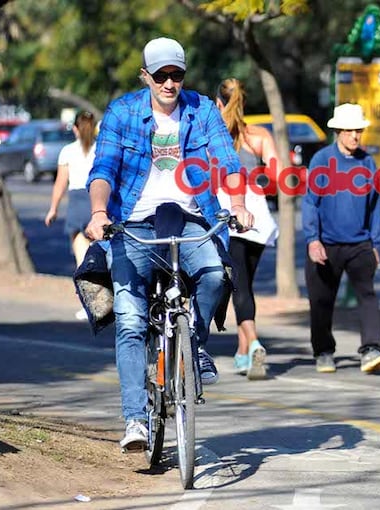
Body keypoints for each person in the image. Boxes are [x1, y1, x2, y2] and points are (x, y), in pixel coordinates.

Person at [83, 37, 254, 452]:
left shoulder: (202, 110)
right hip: (133, 224)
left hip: (192, 219)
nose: (169, 83)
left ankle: (191, 345)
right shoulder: (123, 112)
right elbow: (103, 167)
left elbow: (227, 162)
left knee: (216, 275)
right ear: (146, 76)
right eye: (161, 75)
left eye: (176, 74)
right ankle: (135, 421)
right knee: (129, 320)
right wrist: (99, 213)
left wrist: (237, 204)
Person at [301, 103, 380, 374]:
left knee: (368, 295)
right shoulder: (321, 160)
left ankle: (372, 349)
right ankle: (324, 351)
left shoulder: (368, 161)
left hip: (360, 244)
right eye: (350, 131)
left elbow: (375, 205)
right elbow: (310, 202)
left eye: (359, 131)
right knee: (321, 299)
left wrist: (375, 243)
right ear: (338, 131)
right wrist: (312, 239)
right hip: (326, 243)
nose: (355, 136)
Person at [215, 77, 278, 380]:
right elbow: (278, 176)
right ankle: (243, 353)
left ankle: (252, 342)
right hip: (260, 215)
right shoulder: (259, 136)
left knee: (238, 285)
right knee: (245, 283)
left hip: (229, 212)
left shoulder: (213, 137)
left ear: (217, 103)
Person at [44, 110, 97, 321]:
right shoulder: (101, 149)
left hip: (77, 206)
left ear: (75, 128)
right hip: (97, 203)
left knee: (82, 261)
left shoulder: (67, 151)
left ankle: (88, 307)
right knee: (101, 259)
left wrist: (53, 208)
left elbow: (60, 184)